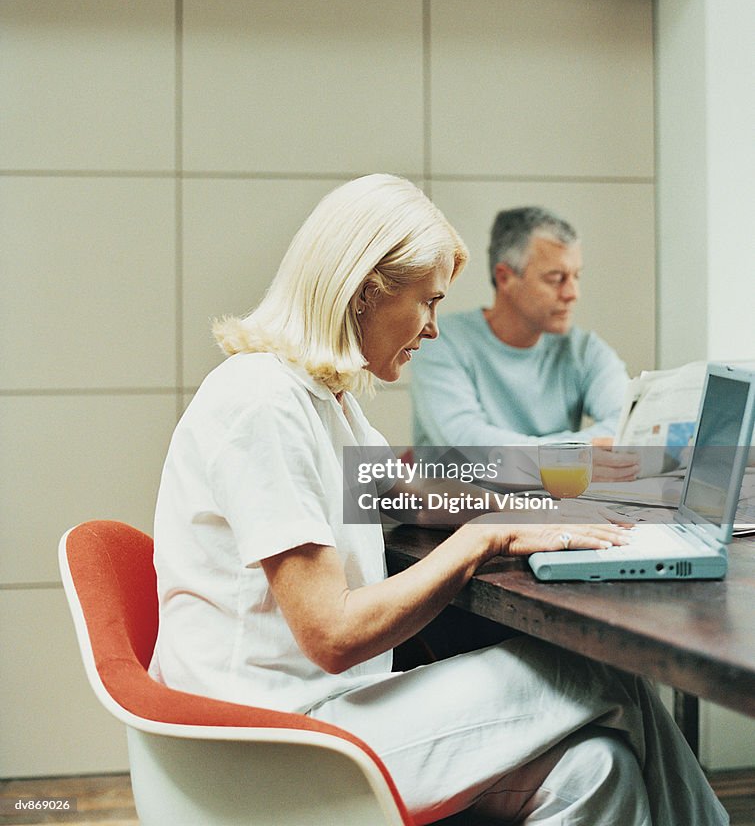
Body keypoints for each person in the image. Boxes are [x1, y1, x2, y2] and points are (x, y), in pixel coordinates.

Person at [149, 174, 726, 825]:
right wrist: (485, 537)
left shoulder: (319, 401)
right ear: (364, 288)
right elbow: (332, 634)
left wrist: (535, 514)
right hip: (269, 743)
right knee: (603, 674)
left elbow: (402, 493)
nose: (431, 328)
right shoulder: (262, 402)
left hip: (321, 713)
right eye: (426, 302)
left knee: (597, 771)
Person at [411, 205, 640, 482]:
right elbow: (467, 445)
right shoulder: (439, 341)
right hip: (460, 517)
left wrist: (545, 459)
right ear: (505, 277)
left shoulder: (585, 350)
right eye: (556, 279)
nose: (572, 293)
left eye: (576, 276)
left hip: (552, 511)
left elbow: (630, 425)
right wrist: (572, 456)